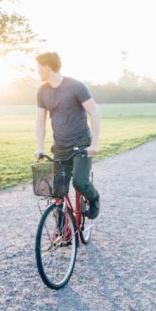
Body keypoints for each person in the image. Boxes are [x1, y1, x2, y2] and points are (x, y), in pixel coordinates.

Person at [34, 52, 101, 218]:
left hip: (81, 144)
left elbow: (94, 113)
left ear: (47, 68)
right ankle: (64, 230)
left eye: (38, 68)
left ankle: (94, 199)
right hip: (60, 147)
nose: (37, 72)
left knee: (79, 182)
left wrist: (95, 144)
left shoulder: (76, 86)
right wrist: (40, 148)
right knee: (56, 191)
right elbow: (40, 122)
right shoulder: (42, 91)